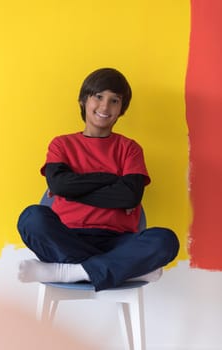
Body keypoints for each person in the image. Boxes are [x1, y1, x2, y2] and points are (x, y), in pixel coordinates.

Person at [17, 67, 179, 291]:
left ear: (122, 109)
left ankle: (69, 272)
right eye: (99, 97)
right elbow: (59, 184)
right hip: (66, 237)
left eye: (114, 100)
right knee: (31, 218)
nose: (105, 106)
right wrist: (111, 179)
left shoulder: (129, 149)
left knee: (165, 240)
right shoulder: (62, 144)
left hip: (117, 241)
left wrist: (75, 188)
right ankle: (121, 270)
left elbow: (129, 195)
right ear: (84, 100)